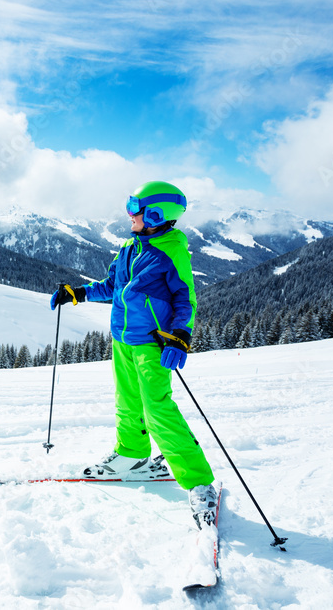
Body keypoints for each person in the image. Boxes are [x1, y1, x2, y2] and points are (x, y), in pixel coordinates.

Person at [51, 180, 217, 523]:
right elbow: (113, 287)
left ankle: (199, 481)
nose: (128, 214)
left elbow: (185, 298)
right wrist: (77, 292)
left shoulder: (169, 251)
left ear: (155, 215)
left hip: (151, 342)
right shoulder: (130, 246)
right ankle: (132, 455)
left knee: (158, 409)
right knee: (126, 401)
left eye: (134, 208)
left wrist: (181, 336)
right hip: (122, 339)